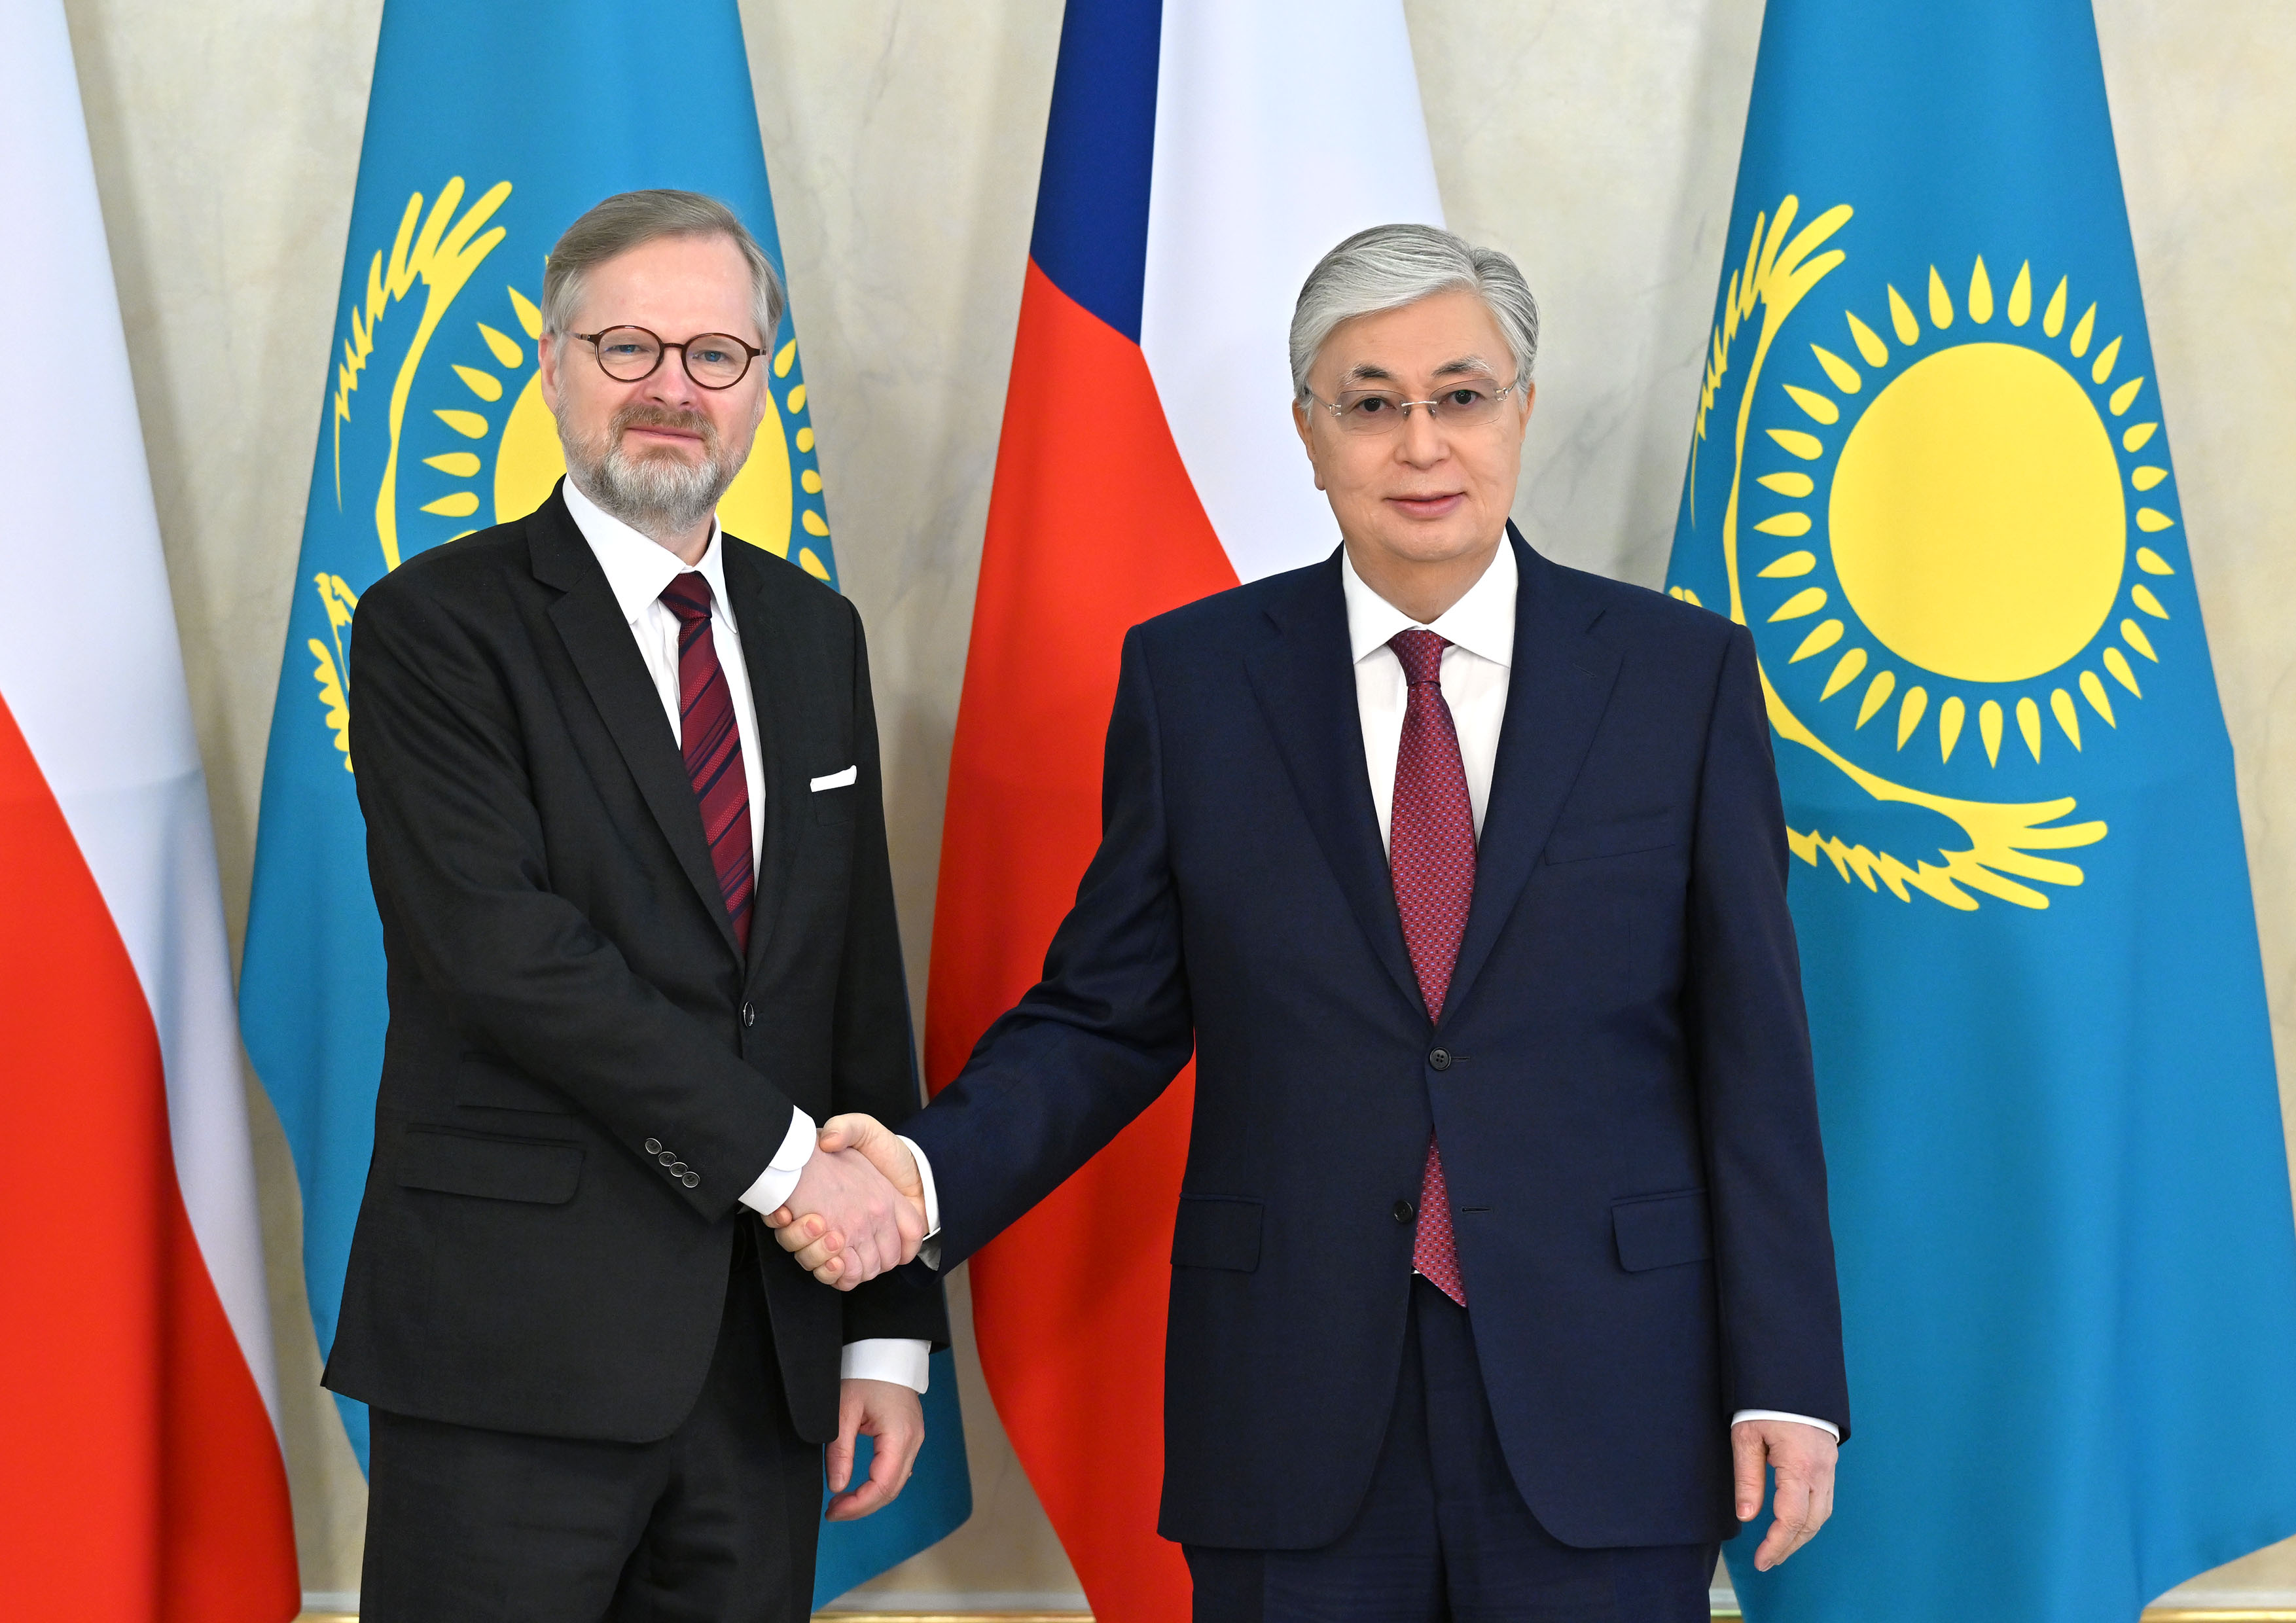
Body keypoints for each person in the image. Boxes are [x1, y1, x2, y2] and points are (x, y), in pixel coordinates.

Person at [774, 224, 1849, 1622]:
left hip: (1610, 1393)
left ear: (1522, 410)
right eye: (1370, 401)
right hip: (1292, 1404)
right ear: (1307, 431)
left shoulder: (1677, 677)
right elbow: (1103, 1018)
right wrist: (920, 1179)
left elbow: (1753, 1054)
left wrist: (1785, 1376)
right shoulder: (1196, 682)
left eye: (1460, 396)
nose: (1421, 443)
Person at [329, 189, 945, 1623]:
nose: (674, 387)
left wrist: (886, 1328)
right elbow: (504, 957)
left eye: (715, 354)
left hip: (769, 1351)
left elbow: (852, 976)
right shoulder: (435, 626)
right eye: (629, 348)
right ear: (554, 367)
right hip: (513, 1352)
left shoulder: (815, 633)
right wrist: (794, 1173)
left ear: (757, 387)